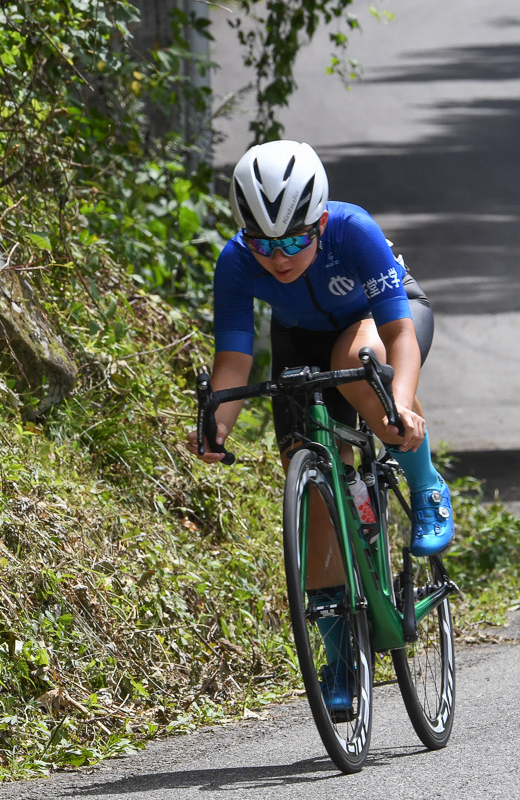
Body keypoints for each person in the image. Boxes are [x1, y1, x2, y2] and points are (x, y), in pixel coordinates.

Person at [185, 139, 454, 715]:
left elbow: (400, 336)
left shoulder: (352, 231)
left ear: (321, 221)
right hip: (300, 341)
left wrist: (400, 407)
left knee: (354, 367)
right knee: (316, 502)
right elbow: (234, 361)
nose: (278, 257)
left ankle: (427, 484)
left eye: (293, 240)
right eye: (263, 243)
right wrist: (217, 428)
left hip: (384, 318)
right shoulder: (235, 264)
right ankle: (340, 660)